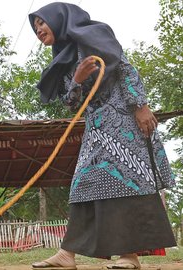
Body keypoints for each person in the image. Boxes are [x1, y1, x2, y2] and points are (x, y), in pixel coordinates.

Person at [28, 2, 176, 269]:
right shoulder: (61, 58)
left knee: (130, 181)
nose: (38, 29)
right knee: (82, 184)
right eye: (35, 26)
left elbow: (125, 69)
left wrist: (140, 106)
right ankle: (67, 254)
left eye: (41, 22)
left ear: (59, 19)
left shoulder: (94, 37)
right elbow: (71, 103)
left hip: (125, 123)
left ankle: (130, 255)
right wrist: (77, 79)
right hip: (96, 130)